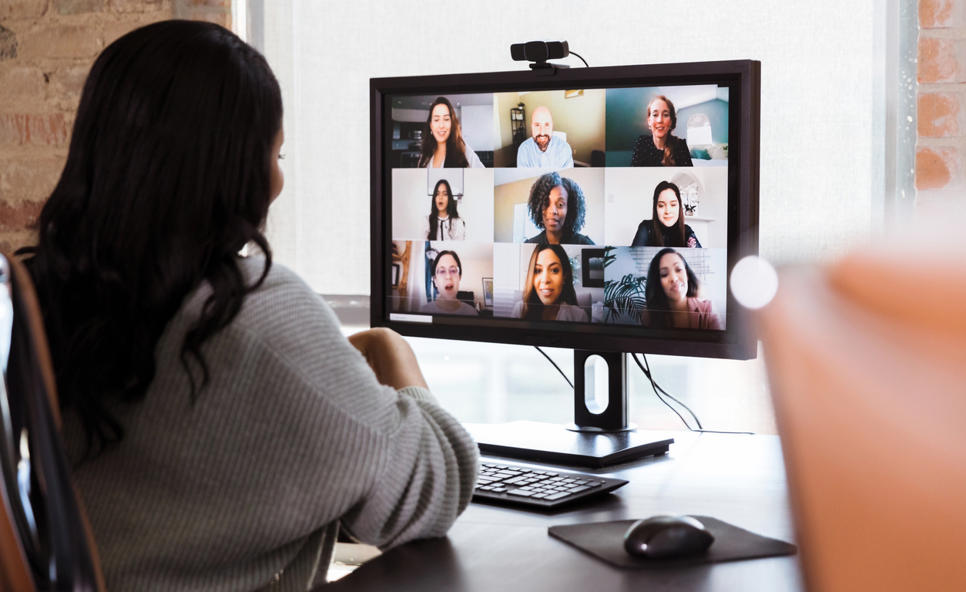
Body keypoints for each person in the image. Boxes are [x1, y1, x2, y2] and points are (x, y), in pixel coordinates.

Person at [16, 21, 478, 591]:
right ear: (233, 167)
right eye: (276, 153)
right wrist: (388, 348)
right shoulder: (251, 313)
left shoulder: (51, 296)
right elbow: (432, 488)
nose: (280, 180)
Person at [642, 248, 721, 329]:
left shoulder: (707, 310)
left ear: (687, 274)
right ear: (657, 282)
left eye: (678, 269)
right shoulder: (650, 314)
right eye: (664, 274)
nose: (674, 278)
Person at [512, 243, 588, 322]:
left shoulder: (579, 316)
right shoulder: (520, 310)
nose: (545, 280)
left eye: (554, 270)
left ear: (564, 276)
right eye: (538, 270)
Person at [524, 171, 595, 245]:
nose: (552, 211)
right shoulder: (529, 244)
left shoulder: (586, 245)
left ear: (569, 209)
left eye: (560, 205)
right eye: (546, 203)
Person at [417, 96, 484, 168]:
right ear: (431, 125)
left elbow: (484, 176)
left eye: (446, 119)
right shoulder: (425, 155)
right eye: (436, 120)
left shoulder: (463, 150)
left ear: (452, 123)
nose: (441, 125)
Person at [631, 180, 702, 247]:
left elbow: (700, 257)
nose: (667, 211)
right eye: (661, 205)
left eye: (673, 205)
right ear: (655, 208)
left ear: (679, 206)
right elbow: (633, 257)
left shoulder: (686, 231)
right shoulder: (646, 228)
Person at [630, 95, 693, 167]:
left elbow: (687, 176)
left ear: (671, 121)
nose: (660, 120)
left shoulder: (681, 145)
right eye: (655, 115)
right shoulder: (642, 142)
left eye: (665, 115)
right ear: (649, 121)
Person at [420, 250, 478, 316]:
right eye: (442, 271)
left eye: (453, 270)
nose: (448, 276)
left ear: (459, 277)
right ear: (435, 281)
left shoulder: (472, 313)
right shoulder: (423, 312)